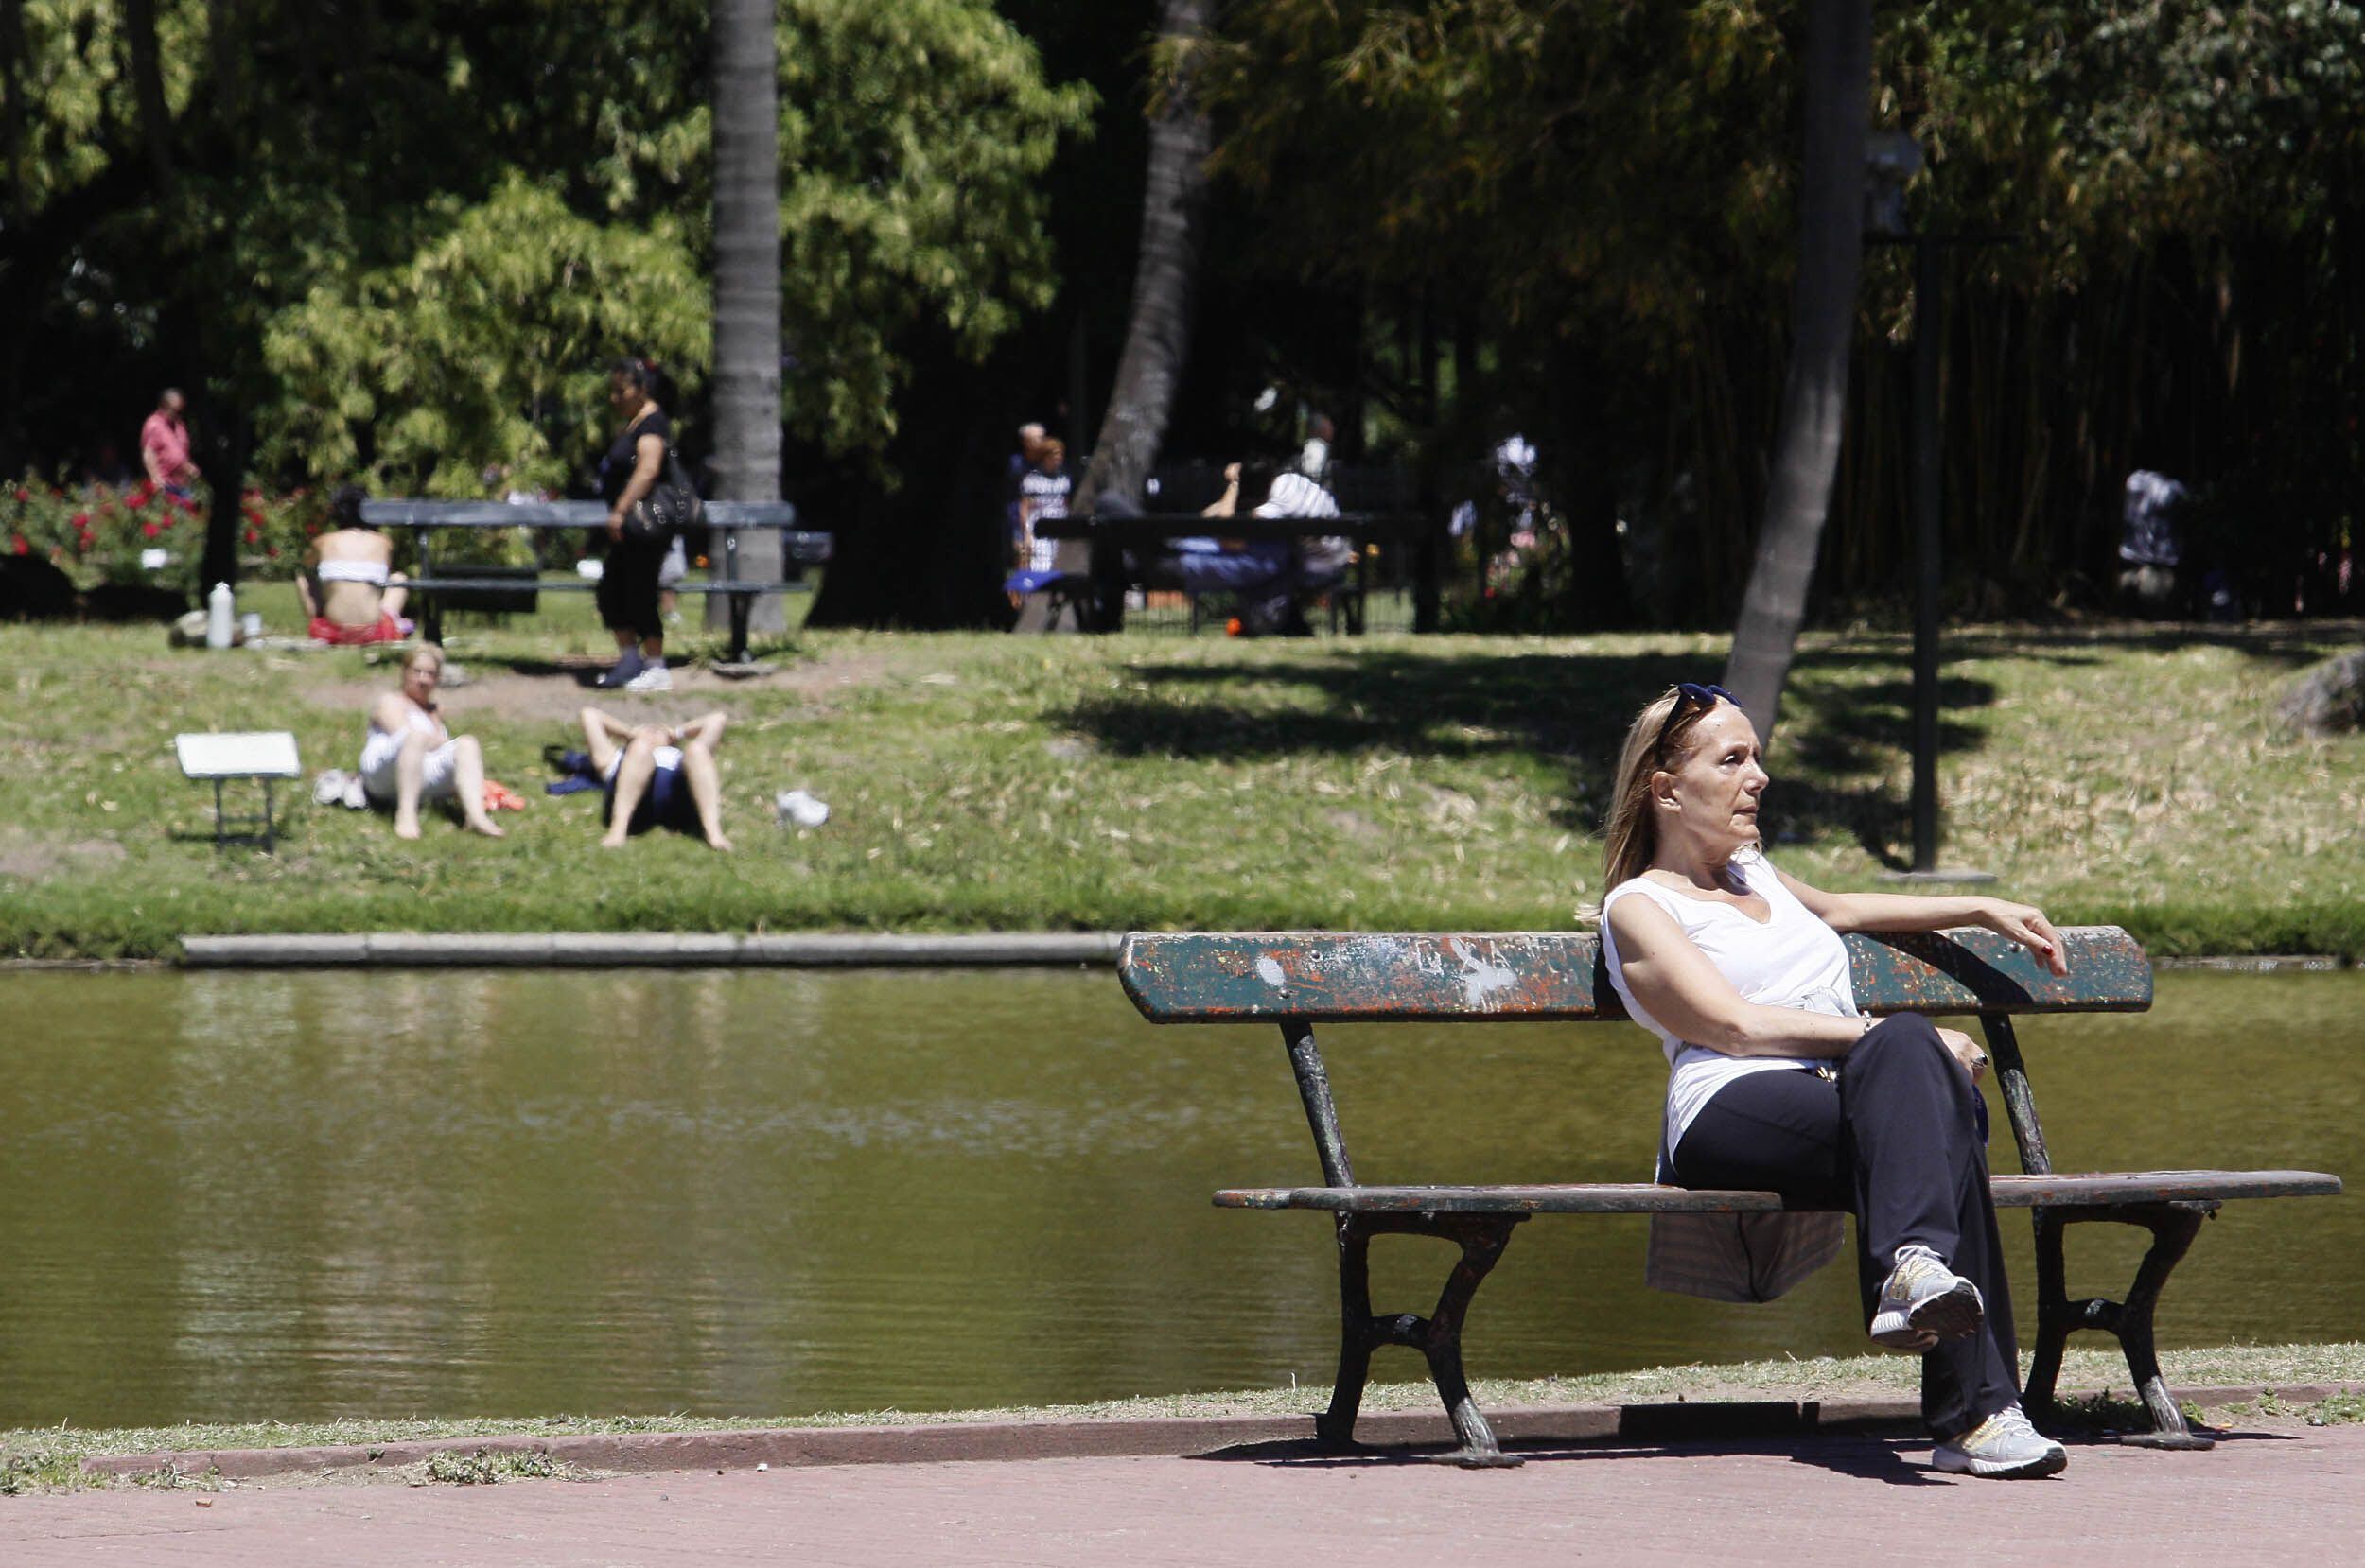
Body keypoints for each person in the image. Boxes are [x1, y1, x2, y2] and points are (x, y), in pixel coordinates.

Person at [1596, 681, 2071, 1480]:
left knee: (1937, 1106)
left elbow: (1845, 907)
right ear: (1668, 789)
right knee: (1923, 1072)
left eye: (1759, 759)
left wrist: (1981, 906)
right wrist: (1889, 1038)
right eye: (1734, 759)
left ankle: (1915, 1273)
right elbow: (1732, 1026)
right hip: (1729, 1109)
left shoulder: (1760, 876)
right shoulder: (1638, 907)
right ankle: (1977, 1411)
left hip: (1839, 1097)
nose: (1760, 777)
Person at [360, 644, 504, 840]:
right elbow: (405, 736)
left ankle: (476, 817)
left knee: (467, 743)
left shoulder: (435, 710)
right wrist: (438, 741)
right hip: (383, 774)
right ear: (404, 672)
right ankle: (406, 815)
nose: (423, 679)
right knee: (416, 737)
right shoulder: (390, 702)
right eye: (417, 672)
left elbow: (437, 748)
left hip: (420, 774)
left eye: (430, 674)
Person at [596, 357, 677, 693]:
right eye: (612, 391)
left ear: (642, 390)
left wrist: (620, 509)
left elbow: (648, 469)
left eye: (622, 391)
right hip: (628, 530)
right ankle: (630, 659)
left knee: (641, 590)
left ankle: (656, 666)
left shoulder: (652, 424)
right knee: (612, 589)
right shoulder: (634, 422)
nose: (615, 398)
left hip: (644, 525)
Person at [572, 706, 732, 851]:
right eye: (648, 729)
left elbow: (718, 719)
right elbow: (589, 715)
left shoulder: (678, 756)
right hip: (637, 804)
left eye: (658, 731)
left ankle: (714, 833)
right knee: (641, 749)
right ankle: (618, 831)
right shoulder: (618, 758)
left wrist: (677, 733)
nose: (653, 731)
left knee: (698, 750)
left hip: (679, 798)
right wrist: (630, 734)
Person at [296, 484, 412, 644]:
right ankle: (396, 623)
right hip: (375, 632)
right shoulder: (383, 542)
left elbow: (307, 563)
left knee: (304, 580)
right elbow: (384, 576)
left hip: (332, 632)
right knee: (399, 578)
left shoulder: (324, 542)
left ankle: (321, 617)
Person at [1017, 437, 1072, 573]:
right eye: (1055, 455)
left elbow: (1067, 505)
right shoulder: (1031, 480)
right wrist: (1026, 533)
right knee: (1041, 568)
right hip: (1039, 531)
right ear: (1045, 457)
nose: (1058, 458)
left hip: (1060, 529)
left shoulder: (1064, 480)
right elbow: (1024, 508)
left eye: (1060, 455)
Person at [140, 389, 201, 497]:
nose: (178, 414)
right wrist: (155, 477)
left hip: (182, 485)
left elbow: (180, 454)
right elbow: (149, 452)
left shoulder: (179, 425)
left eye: (180, 410)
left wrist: (189, 467)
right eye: (175, 410)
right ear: (164, 405)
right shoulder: (154, 424)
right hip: (166, 485)